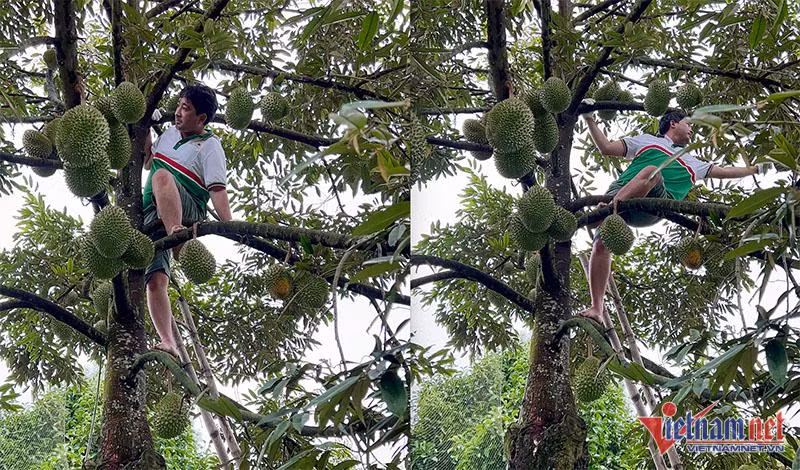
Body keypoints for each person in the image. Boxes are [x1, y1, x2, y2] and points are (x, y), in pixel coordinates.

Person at [578, 109, 771, 326]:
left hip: (654, 204)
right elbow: (606, 147)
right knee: (601, 246)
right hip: (619, 192)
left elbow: (725, 171)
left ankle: (605, 213)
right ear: (673, 123)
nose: (692, 130)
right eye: (689, 124)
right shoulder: (646, 141)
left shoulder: (692, 161)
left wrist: (755, 169)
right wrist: (588, 117)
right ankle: (597, 307)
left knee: (653, 171)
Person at [142, 83, 233, 359]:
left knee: (161, 176)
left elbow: (217, 190)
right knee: (155, 281)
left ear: (202, 118)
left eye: (186, 109)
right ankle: (168, 340)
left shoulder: (210, 145)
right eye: (179, 105)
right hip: (152, 212)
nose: (178, 113)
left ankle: (177, 239)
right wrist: (144, 123)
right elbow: (146, 160)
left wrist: (230, 227)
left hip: (188, 207)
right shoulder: (169, 134)